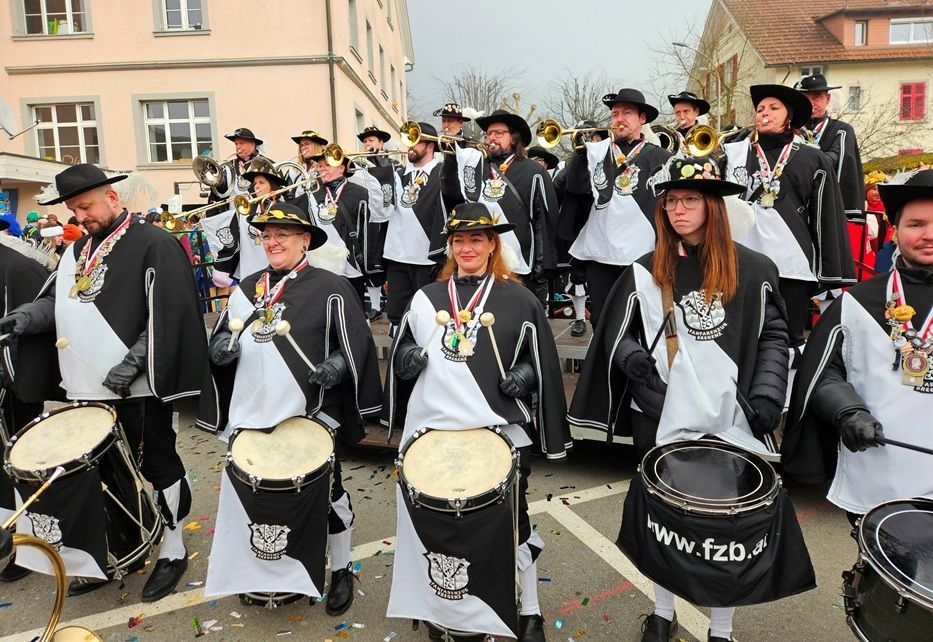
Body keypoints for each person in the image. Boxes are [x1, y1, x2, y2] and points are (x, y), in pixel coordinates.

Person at [569, 156, 803, 641]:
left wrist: (767, 396)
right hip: (658, 412)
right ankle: (662, 613)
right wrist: (634, 362)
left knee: (724, 526)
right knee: (663, 518)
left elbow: (773, 336)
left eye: (690, 199)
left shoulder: (755, 268)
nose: (678, 209)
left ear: (712, 206)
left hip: (727, 414)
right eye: (671, 201)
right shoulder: (645, 268)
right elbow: (618, 332)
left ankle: (722, 627)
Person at [0, 163, 207, 600]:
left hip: (139, 386)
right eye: (74, 210)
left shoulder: (154, 243)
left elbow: (170, 312)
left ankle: (173, 547)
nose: (81, 217)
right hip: (86, 387)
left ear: (112, 198)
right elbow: (58, 303)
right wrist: (24, 317)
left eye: (86, 207)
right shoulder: (77, 250)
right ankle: (123, 547)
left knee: (156, 465)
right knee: (107, 471)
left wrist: (134, 363)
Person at [384, 202, 570, 642]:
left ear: (492, 245)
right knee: (437, 527)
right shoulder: (427, 298)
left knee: (515, 524)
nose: (466, 248)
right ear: (450, 247)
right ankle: (442, 610)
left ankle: (530, 609)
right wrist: (406, 358)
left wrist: (523, 377)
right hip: (434, 429)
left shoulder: (518, 298)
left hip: (497, 430)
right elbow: (404, 347)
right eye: (458, 240)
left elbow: (539, 361)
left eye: (476, 239)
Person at [199, 201, 382, 612]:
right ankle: (270, 570)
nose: (273, 241)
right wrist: (220, 350)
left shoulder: (331, 286)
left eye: (283, 234)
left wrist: (337, 365)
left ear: (304, 240)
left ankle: (341, 568)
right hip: (253, 408)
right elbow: (223, 335)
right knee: (259, 495)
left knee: (329, 492)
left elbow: (357, 344)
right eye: (267, 235)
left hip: (310, 410)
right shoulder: (247, 288)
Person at [783, 169, 933, 522]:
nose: (929, 235)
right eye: (916, 224)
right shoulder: (856, 303)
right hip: (879, 477)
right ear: (894, 231)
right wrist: (848, 411)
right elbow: (821, 374)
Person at [720, 84, 855, 354]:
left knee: (788, 338)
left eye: (773, 108)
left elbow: (824, 216)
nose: (764, 113)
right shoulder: (735, 153)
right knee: (742, 335)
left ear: (789, 117)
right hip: (741, 260)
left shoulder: (813, 158)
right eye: (760, 109)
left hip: (792, 263)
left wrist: (827, 270)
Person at [561, 88, 672, 328]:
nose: (619, 119)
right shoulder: (597, 154)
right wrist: (581, 155)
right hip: (600, 252)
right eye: (614, 114)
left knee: (640, 320)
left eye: (627, 113)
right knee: (603, 320)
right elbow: (575, 189)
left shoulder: (662, 157)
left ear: (642, 119)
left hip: (643, 252)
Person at [441, 109, 560, 305]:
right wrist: (452, 159)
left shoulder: (534, 170)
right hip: (481, 262)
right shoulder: (475, 166)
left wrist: (542, 265)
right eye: (488, 134)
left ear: (513, 138)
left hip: (521, 265)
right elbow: (453, 198)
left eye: (498, 133)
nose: (491, 138)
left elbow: (545, 220)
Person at [0, 220, 61, 583]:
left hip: (14, 386)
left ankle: (29, 543)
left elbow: (32, 328)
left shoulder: (16, 265)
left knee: (20, 463)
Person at [370, 122, 448, 335]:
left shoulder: (441, 174)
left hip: (426, 258)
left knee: (429, 311)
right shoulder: (398, 174)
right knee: (397, 313)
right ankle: (399, 350)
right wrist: (378, 174)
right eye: (409, 141)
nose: (410, 146)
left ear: (430, 146)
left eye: (416, 141)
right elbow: (380, 211)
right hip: (397, 256)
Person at [557, 122, 611, 338]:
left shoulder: (610, 161)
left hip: (604, 224)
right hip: (578, 225)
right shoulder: (571, 163)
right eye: (585, 136)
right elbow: (564, 186)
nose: (590, 140)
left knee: (603, 275)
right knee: (577, 274)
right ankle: (580, 318)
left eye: (594, 136)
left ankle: (603, 318)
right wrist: (579, 157)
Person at [306, 151, 373, 308]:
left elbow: (368, 230)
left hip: (351, 264)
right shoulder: (312, 194)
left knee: (354, 308)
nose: (322, 169)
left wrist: (369, 263)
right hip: (321, 264)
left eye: (327, 165)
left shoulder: (360, 193)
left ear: (341, 168)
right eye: (319, 166)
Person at [795, 74, 865, 221]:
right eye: (804, 98)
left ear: (827, 99)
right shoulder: (788, 131)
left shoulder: (842, 131)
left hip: (828, 208)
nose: (810, 103)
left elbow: (833, 158)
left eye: (816, 97)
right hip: (795, 206)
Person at [212, 157, 288, 283]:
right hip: (249, 271)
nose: (256, 186)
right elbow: (232, 239)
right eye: (255, 183)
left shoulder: (283, 210)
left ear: (273, 187)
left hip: (276, 272)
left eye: (261, 182)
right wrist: (221, 263)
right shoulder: (246, 210)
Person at [207, 127, 268, 202]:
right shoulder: (228, 166)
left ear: (253, 144)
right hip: (233, 209)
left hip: (259, 208)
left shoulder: (266, 164)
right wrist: (217, 180)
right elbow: (220, 193)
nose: (238, 147)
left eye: (241, 143)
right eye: (236, 144)